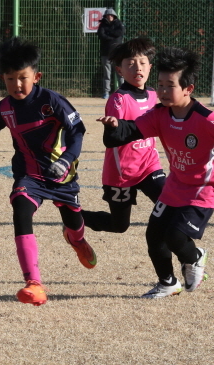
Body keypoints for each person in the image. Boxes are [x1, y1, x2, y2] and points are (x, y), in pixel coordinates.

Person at [97, 47, 214, 299]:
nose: (163, 91)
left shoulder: (206, 118)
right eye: (160, 85)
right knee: (153, 235)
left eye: (170, 86)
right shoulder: (159, 115)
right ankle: (167, 283)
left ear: (188, 89)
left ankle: (196, 256)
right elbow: (131, 131)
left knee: (175, 236)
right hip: (175, 186)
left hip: (203, 188)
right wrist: (115, 126)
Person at [0, 37, 97, 307]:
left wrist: (67, 160)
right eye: (10, 79)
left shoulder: (52, 101)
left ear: (37, 76)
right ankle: (34, 283)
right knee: (20, 210)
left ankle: (76, 240)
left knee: (74, 226)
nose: (17, 85)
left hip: (62, 177)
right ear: (3, 79)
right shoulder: (5, 108)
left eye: (22, 78)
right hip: (29, 175)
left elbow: (77, 131)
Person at [81, 37, 165, 234]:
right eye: (131, 64)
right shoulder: (118, 99)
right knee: (119, 226)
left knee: (170, 203)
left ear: (150, 67)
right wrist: (113, 127)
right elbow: (111, 140)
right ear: (120, 70)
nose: (138, 68)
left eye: (143, 63)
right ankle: (74, 218)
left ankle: (176, 245)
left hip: (149, 166)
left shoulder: (154, 94)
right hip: (121, 174)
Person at [97, 8, 125, 99]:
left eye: (111, 15)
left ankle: (123, 91)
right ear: (105, 16)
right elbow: (101, 35)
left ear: (114, 16)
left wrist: (108, 34)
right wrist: (112, 36)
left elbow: (119, 33)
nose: (109, 17)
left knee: (120, 73)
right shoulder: (102, 25)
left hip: (117, 54)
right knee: (107, 75)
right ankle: (106, 92)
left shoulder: (119, 24)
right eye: (108, 15)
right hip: (105, 54)